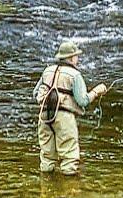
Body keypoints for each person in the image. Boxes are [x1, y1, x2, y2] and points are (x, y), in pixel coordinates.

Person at [33, 41, 107, 175]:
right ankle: (68, 192)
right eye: (76, 56)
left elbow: (35, 94)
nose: (77, 59)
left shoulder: (47, 70)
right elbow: (83, 101)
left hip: (44, 116)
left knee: (47, 157)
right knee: (69, 158)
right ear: (72, 57)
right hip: (64, 118)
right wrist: (97, 91)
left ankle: (46, 190)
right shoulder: (74, 75)